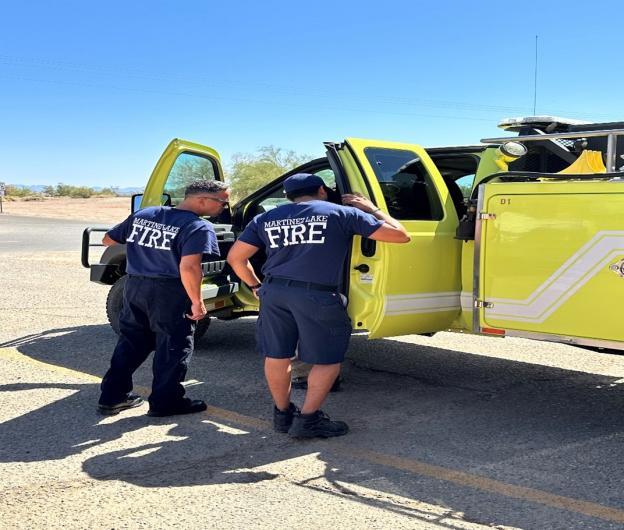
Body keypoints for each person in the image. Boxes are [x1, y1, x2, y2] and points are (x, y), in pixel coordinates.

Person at [227, 173, 410, 438]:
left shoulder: (265, 218)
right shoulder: (341, 213)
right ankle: (309, 419)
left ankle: (282, 414)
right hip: (317, 295)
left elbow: (235, 258)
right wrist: (372, 209)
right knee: (327, 359)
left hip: (274, 292)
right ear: (322, 190)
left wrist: (256, 286)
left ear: (288, 196)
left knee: (277, 355)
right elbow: (400, 236)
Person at [97, 179, 230, 417]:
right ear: (202, 200)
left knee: (130, 343)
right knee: (174, 346)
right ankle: (165, 402)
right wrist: (197, 302)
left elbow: (108, 239)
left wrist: (147, 246)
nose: (224, 207)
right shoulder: (198, 227)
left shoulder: (145, 213)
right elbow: (189, 268)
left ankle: (112, 397)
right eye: (222, 202)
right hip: (169, 292)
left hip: (135, 286)